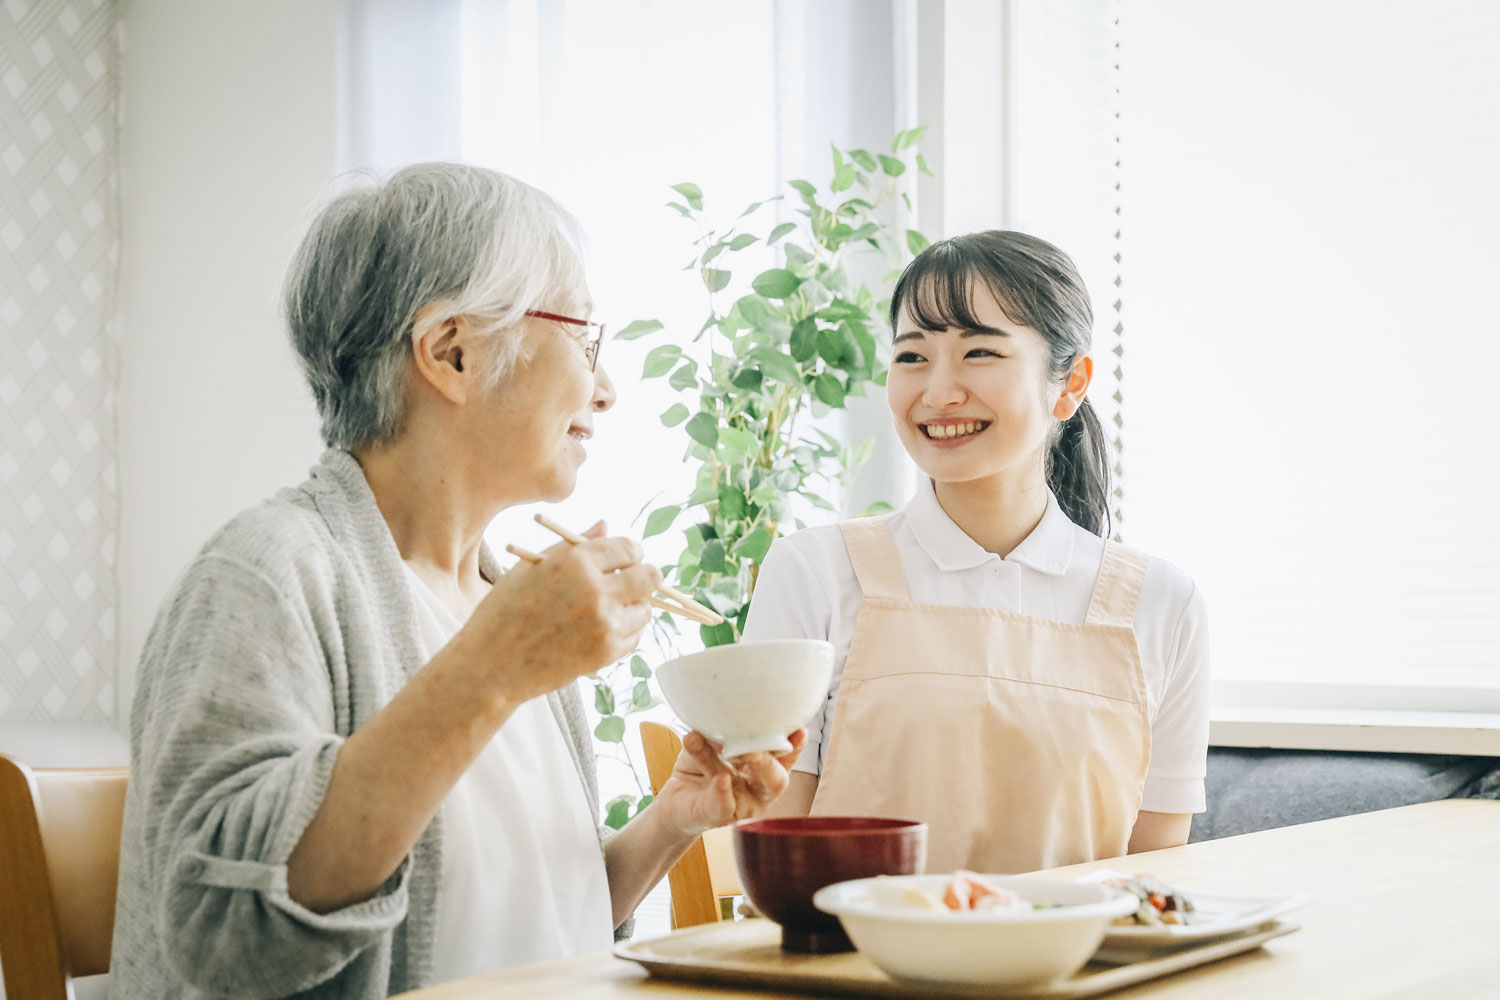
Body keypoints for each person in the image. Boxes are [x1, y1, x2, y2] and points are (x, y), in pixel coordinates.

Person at [111, 163, 804, 999]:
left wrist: (670, 822)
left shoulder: (498, 597)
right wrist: (496, 666)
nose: (609, 388)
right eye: (587, 338)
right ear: (452, 352)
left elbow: (538, 928)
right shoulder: (267, 575)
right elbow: (229, 941)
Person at [744, 231, 1208, 874]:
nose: (937, 393)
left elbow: (1155, 868)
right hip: (854, 965)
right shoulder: (815, 573)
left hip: (1077, 967)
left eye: (980, 352)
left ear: (1070, 383)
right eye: (912, 357)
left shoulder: (1162, 603)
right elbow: (778, 850)